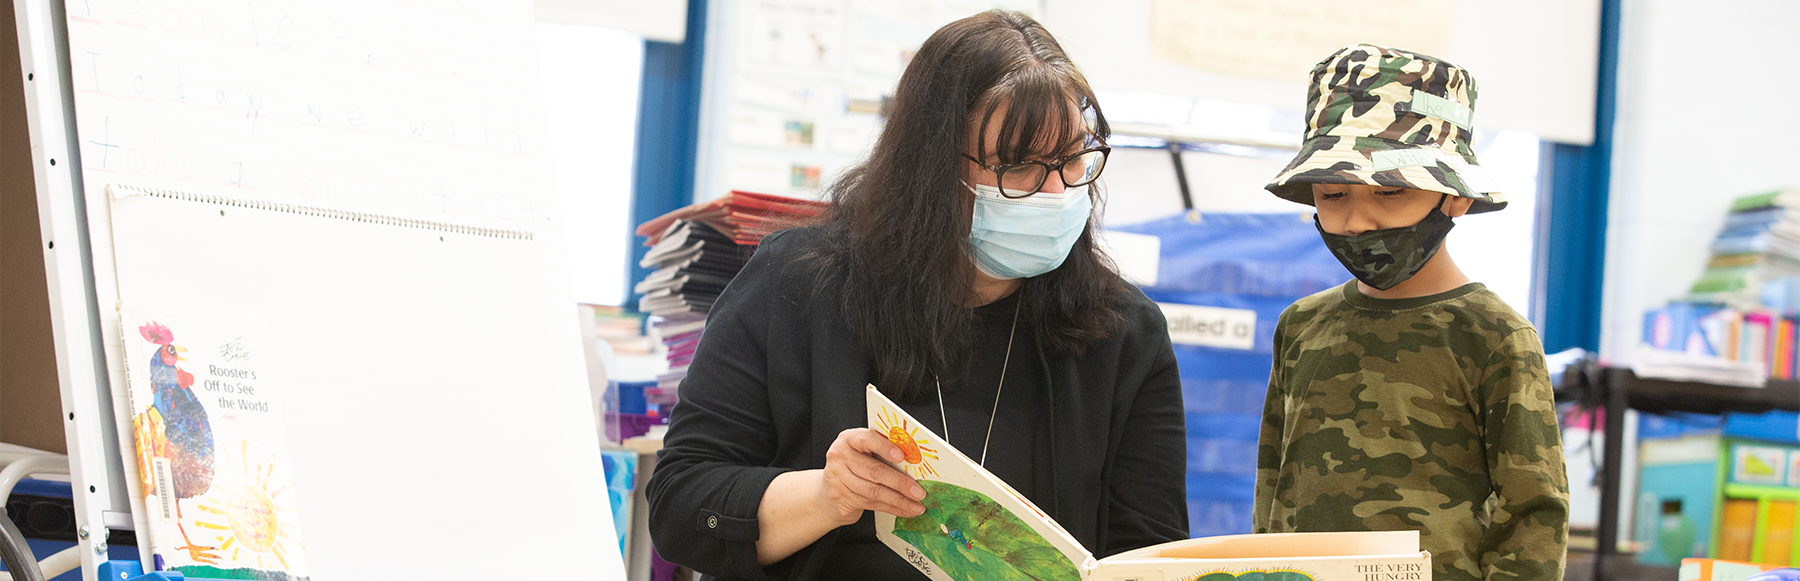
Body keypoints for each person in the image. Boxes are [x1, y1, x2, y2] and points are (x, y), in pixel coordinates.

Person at [645, 10, 1188, 581]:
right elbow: (682, 506)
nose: (1055, 192)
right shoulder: (798, 287)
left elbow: (1151, 556)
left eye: (1073, 159)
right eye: (1020, 166)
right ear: (929, 171)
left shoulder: (1123, 333)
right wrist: (827, 497)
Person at [1253, 44, 1570, 581]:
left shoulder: (1495, 335)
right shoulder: (1301, 326)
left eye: (1391, 192)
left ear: (1454, 198)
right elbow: (1273, 485)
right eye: (1333, 194)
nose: (1357, 221)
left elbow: (1534, 513)